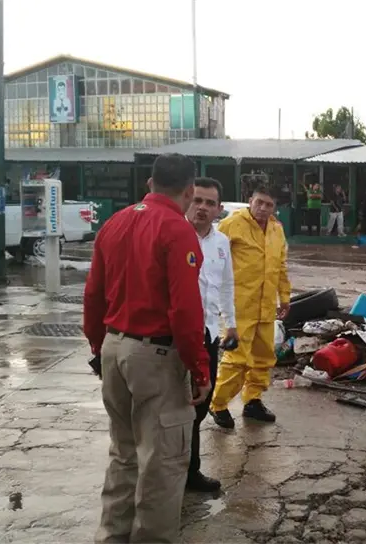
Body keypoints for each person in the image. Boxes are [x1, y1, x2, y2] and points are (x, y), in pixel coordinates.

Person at [83, 153, 210, 544]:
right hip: (155, 358)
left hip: (114, 349)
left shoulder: (115, 222)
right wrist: (200, 369)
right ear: (189, 191)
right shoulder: (177, 229)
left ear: (149, 184)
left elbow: (93, 296)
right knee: (163, 462)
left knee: (123, 455)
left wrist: (98, 346)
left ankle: (113, 537)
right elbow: (185, 310)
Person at [209, 185, 291, 428]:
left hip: (266, 306)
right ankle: (218, 404)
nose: (263, 208)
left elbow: (281, 266)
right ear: (250, 201)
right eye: (259, 202)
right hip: (239, 307)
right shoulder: (232, 224)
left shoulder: (276, 229)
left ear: (275, 208)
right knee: (236, 359)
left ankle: (253, 400)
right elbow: (214, 259)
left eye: (269, 205)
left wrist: (284, 297)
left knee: (264, 357)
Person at [184, 177, 237, 493]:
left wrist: (230, 323)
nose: (202, 207)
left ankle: (189, 471)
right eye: (197, 200)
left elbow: (227, 284)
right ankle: (183, 472)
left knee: (201, 403)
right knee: (178, 407)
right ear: (188, 199)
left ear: (219, 209)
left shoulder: (221, 243)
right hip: (175, 335)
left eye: (209, 203)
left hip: (207, 334)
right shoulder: (174, 235)